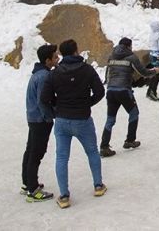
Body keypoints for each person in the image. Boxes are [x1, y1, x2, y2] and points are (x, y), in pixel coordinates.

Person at [39, 39, 106, 209]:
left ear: (61, 54)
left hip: (62, 120)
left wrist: (56, 109)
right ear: (76, 51)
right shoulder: (87, 70)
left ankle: (64, 196)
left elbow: (44, 98)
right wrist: (87, 103)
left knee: (61, 157)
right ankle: (98, 185)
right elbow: (100, 91)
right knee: (92, 152)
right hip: (83, 118)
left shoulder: (55, 73)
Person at [100, 38, 159, 157]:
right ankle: (129, 140)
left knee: (110, 119)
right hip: (123, 90)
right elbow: (143, 72)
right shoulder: (131, 57)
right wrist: (155, 70)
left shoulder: (111, 56)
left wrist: (109, 85)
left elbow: (108, 73)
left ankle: (104, 146)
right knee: (134, 113)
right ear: (129, 46)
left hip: (111, 90)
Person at [21, 44, 58, 201]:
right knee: (36, 152)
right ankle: (33, 190)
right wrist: (49, 116)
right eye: (55, 57)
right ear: (47, 60)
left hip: (33, 118)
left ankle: (28, 183)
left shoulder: (38, 73)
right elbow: (43, 101)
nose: (58, 58)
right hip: (40, 120)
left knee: (30, 150)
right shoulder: (44, 76)